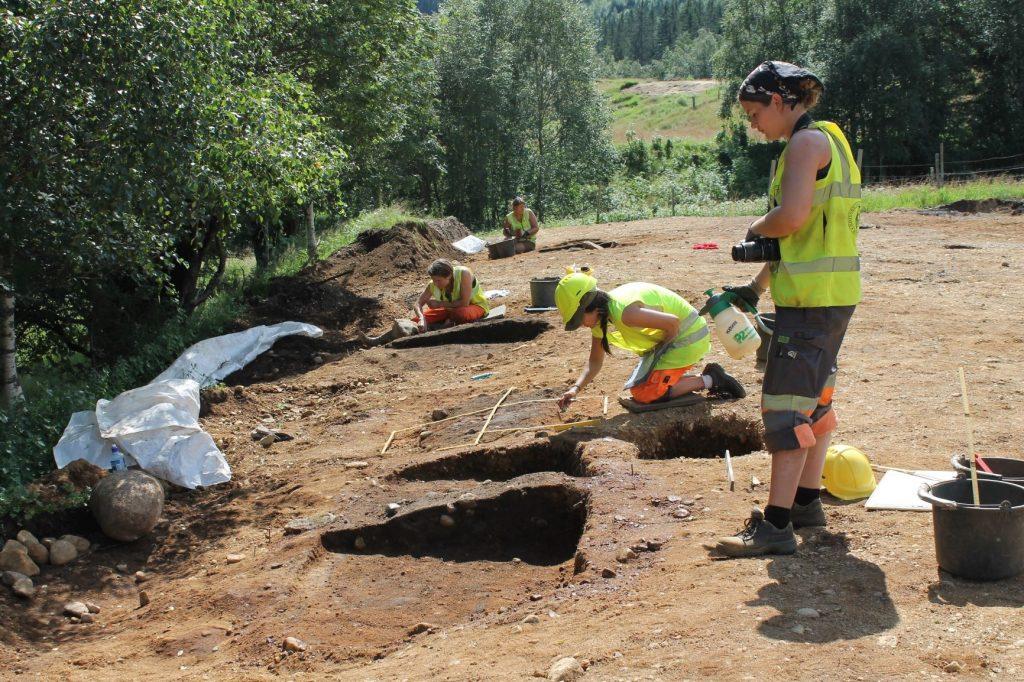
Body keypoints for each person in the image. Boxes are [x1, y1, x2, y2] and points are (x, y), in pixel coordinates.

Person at [712, 61, 862, 558]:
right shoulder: (832, 140)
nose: (753, 124)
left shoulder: (803, 145)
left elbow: (791, 218)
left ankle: (776, 525)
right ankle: (806, 503)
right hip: (830, 298)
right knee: (814, 400)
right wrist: (756, 288)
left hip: (810, 306)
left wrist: (754, 231)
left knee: (784, 407)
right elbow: (804, 235)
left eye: (755, 112)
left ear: (780, 101)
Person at [553, 271, 745, 411]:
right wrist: (575, 389)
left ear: (591, 306)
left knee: (646, 393)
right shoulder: (600, 320)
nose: (580, 325)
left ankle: (712, 380)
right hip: (673, 340)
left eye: (578, 320)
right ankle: (688, 378)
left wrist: (657, 357)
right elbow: (595, 362)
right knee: (639, 387)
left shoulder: (625, 312)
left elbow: (673, 323)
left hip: (687, 339)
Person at [412, 259, 490, 332]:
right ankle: (448, 321)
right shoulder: (432, 284)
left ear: (449, 276)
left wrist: (439, 304)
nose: (435, 283)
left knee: (459, 314)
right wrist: (421, 318)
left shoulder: (463, 273)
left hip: (474, 306)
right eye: (433, 280)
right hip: (450, 309)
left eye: (438, 280)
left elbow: (464, 303)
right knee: (415, 321)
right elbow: (418, 303)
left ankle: (446, 324)